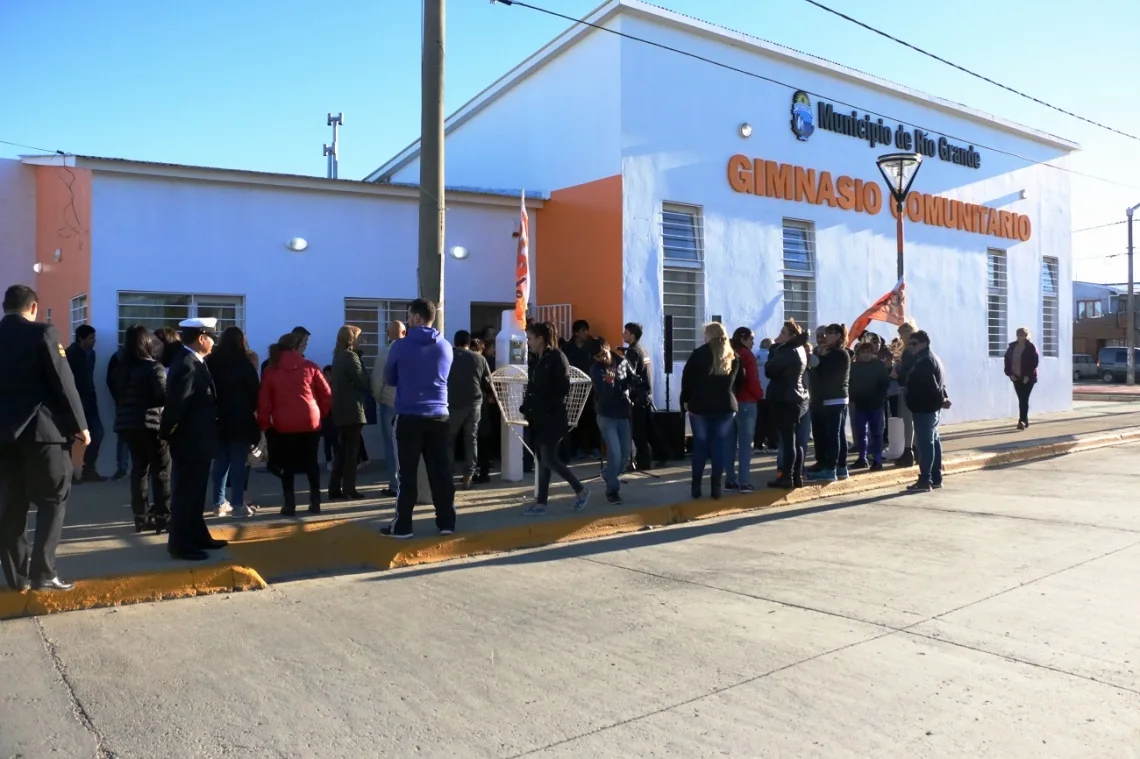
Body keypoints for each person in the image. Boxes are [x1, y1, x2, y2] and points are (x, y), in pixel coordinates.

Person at [0, 285, 89, 591]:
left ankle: (17, 579)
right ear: (34, 307)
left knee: (11, 506)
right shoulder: (43, 334)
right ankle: (43, 572)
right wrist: (81, 425)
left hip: (3, 439)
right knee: (53, 499)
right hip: (42, 435)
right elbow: (63, 382)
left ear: (4, 307)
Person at [381, 299, 457, 538]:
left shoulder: (399, 347)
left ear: (414, 318)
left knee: (407, 474)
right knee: (441, 472)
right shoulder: (445, 346)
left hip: (409, 416)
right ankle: (447, 522)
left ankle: (403, 526)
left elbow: (390, 379)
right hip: (440, 417)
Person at [160, 317, 227, 562]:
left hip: (200, 439)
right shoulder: (187, 364)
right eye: (211, 337)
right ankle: (180, 544)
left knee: (196, 492)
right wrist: (167, 434)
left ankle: (198, 535)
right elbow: (176, 405)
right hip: (190, 441)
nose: (213, 342)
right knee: (185, 494)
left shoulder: (196, 361)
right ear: (201, 338)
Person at [518, 321, 590, 515]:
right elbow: (532, 386)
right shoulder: (536, 358)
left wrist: (546, 406)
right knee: (542, 459)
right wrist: (527, 405)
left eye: (530, 338)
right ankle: (541, 503)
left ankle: (581, 490)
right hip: (538, 418)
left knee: (549, 458)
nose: (528, 342)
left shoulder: (557, 357)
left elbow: (563, 388)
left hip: (553, 417)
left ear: (540, 338)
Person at [259, 333, 331, 516]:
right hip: (310, 420)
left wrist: (265, 424)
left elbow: (264, 402)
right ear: (297, 347)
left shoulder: (271, 370)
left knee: (287, 465)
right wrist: (321, 413)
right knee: (311, 463)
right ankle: (315, 502)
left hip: (284, 424)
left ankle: (289, 504)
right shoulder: (310, 367)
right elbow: (326, 394)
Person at [113, 325, 171, 532]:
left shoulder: (123, 368)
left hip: (128, 424)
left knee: (139, 470)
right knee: (161, 470)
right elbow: (163, 395)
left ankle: (141, 517)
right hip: (151, 424)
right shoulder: (154, 367)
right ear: (145, 343)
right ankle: (164, 515)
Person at [680, 322, 742, 500]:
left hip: (700, 406)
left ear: (708, 335)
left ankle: (696, 486)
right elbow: (738, 381)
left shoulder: (698, 354)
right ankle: (716, 487)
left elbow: (687, 380)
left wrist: (685, 400)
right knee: (719, 446)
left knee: (700, 445)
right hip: (725, 406)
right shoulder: (733, 356)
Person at [206, 327, 261, 519]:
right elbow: (255, 392)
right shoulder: (244, 364)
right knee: (238, 462)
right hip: (240, 418)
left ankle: (218, 502)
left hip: (217, 417)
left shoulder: (211, 362)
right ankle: (238, 504)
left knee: (221, 462)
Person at [590, 338, 640, 504]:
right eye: (598, 357)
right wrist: (609, 383)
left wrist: (637, 387)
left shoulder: (621, 361)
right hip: (606, 416)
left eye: (603, 354)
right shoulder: (596, 370)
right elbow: (602, 396)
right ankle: (612, 490)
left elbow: (632, 377)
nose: (602, 359)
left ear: (608, 348)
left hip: (623, 414)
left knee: (625, 455)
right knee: (615, 453)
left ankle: (608, 474)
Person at [904, 330, 952, 492]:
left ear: (924, 343)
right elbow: (940, 385)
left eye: (914, 344)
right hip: (930, 408)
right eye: (910, 344)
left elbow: (933, 385)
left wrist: (941, 399)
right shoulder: (931, 358)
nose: (911, 347)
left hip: (925, 408)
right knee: (933, 442)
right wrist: (943, 399)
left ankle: (926, 479)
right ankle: (935, 477)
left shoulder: (925, 361)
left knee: (925, 444)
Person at [764, 320, 809, 489]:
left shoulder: (787, 351)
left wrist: (774, 350)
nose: (779, 335)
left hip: (786, 399)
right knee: (796, 442)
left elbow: (770, 370)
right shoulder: (799, 349)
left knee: (789, 441)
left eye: (783, 333)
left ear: (791, 336)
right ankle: (796, 476)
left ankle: (788, 476)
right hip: (796, 398)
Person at [447, 330, 492, 490]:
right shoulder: (480, 358)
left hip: (453, 404)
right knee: (471, 440)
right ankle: (468, 477)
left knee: (449, 440)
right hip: (475, 403)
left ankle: (448, 475)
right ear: (468, 342)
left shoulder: (448, 357)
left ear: (455, 341)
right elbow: (488, 383)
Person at [808, 323, 852, 482]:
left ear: (839, 335)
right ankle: (840, 467)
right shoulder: (831, 352)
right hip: (830, 399)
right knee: (837, 434)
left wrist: (818, 358)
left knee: (833, 435)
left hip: (835, 399)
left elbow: (823, 372)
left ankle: (831, 469)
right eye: (825, 333)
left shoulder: (840, 354)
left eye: (830, 333)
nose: (826, 336)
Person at [329, 325, 368, 501]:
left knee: (342, 450)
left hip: (340, 409)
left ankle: (334, 487)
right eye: (358, 337)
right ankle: (349, 489)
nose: (361, 340)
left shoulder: (337, 356)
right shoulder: (351, 357)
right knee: (352, 452)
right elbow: (362, 381)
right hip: (353, 410)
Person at [622, 322, 669, 469]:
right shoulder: (642, 350)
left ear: (633, 335)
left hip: (638, 397)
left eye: (626, 332)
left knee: (638, 432)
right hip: (646, 395)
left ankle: (643, 462)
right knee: (649, 429)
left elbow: (630, 373)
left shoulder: (632, 352)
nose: (623, 334)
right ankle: (662, 454)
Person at [369, 320, 405, 497]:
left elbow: (377, 379)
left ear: (388, 334)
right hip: (410, 405)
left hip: (389, 403)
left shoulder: (385, 352)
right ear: (404, 333)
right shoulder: (413, 351)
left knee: (391, 446)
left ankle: (395, 485)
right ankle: (409, 484)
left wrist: (378, 398)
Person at [65, 324, 105, 482]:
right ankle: (69, 474)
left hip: (90, 400)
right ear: (81, 338)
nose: (94, 341)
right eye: (91, 338)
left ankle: (89, 469)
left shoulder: (92, 354)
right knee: (70, 437)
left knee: (98, 433)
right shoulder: (70, 354)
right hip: (75, 400)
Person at [725, 327, 762, 492]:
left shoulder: (729, 353)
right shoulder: (748, 356)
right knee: (746, 445)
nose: (753, 342)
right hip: (747, 402)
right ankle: (744, 481)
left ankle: (730, 480)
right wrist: (760, 395)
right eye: (751, 339)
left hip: (730, 403)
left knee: (730, 444)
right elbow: (752, 380)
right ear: (743, 339)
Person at [849, 341, 891, 471]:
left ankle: (877, 459)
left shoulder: (878, 365)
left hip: (875, 404)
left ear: (873, 354)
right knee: (861, 433)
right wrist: (853, 397)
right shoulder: (854, 367)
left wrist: (880, 397)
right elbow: (849, 383)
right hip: (860, 404)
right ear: (859, 354)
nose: (866, 355)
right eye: (863, 352)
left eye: (869, 352)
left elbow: (885, 383)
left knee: (876, 433)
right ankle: (862, 458)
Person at [561, 319, 599, 459]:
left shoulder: (594, 345)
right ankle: (576, 448)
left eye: (586, 330)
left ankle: (594, 448)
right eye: (582, 330)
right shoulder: (567, 348)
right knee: (575, 419)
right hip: (575, 388)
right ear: (576, 332)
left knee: (593, 418)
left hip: (592, 388)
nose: (585, 333)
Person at [893, 320, 919, 468]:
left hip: (908, 390)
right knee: (913, 422)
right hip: (916, 390)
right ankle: (915, 450)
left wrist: (897, 372)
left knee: (908, 422)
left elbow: (907, 372)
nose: (900, 337)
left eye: (901, 334)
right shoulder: (916, 350)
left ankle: (908, 451)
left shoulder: (909, 352)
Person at [1004, 327, 1039, 430]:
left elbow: (1034, 362)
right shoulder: (1012, 347)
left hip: (1028, 378)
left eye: (1023, 335)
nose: (1021, 337)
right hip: (1016, 377)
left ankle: (1022, 421)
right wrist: (1010, 374)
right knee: (1021, 399)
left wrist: (1028, 376)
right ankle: (1025, 420)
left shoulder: (1031, 347)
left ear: (1026, 336)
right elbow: (1007, 360)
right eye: (1019, 335)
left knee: (1024, 398)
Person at [105, 345, 130, 480]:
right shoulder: (146, 357)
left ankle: (122, 468)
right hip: (133, 404)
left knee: (123, 437)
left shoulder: (118, 356)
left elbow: (110, 380)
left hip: (123, 403)